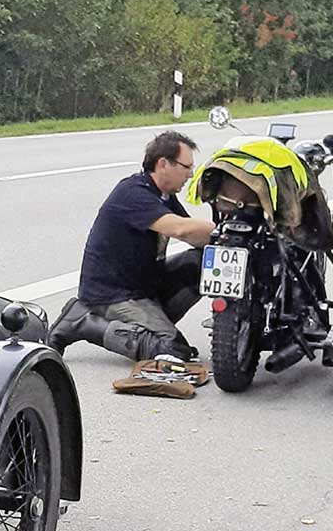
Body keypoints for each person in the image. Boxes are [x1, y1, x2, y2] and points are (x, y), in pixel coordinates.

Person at [48, 130, 216, 361]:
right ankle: (81, 321)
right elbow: (181, 229)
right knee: (172, 350)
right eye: (186, 167)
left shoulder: (164, 195)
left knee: (203, 261)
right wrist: (222, 231)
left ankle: (150, 323)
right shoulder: (133, 193)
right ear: (163, 164)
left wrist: (234, 242)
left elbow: (192, 236)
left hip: (144, 289)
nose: (190, 174)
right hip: (113, 295)